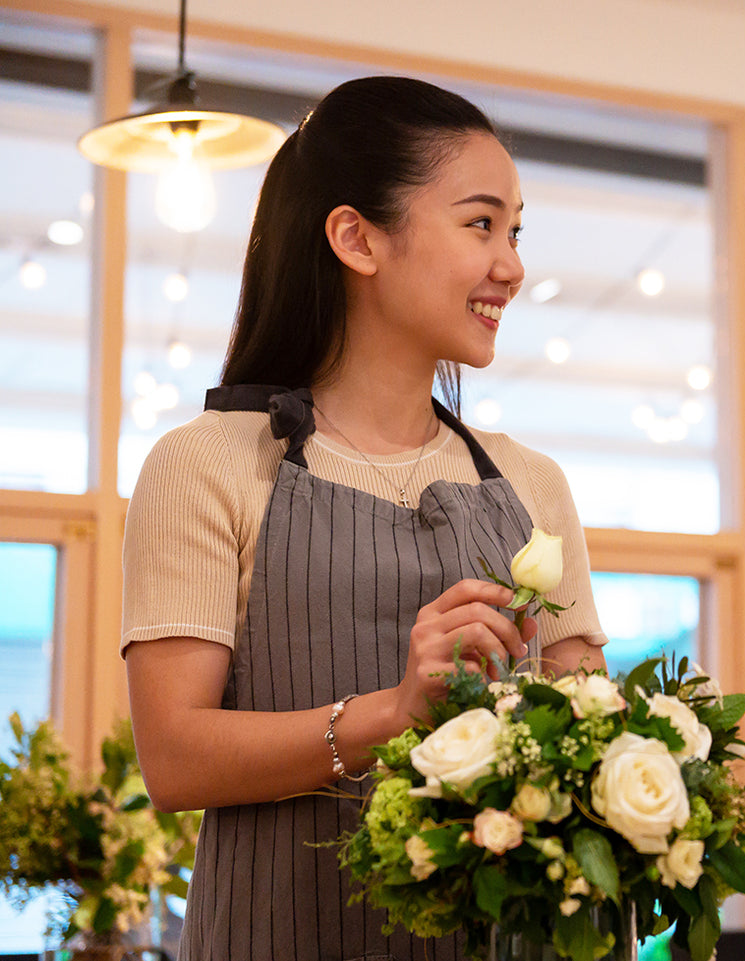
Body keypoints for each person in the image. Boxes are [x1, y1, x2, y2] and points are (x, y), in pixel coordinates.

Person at [121, 76, 608, 961]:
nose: (511, 266)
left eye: (514, 232)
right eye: (480, 224)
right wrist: (395, 711)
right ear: (356, 237)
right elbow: (176, 757)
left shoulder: (532, 482)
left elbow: (589, 733)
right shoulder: (207, 462)